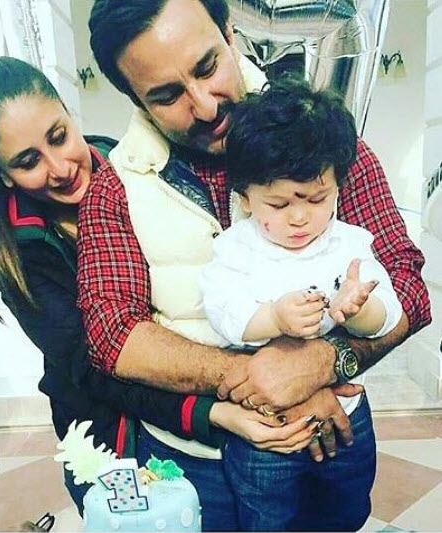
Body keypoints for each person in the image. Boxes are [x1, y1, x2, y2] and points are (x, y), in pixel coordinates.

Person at [82, 0, 430, 530]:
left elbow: (407, 286)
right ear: (134, 98)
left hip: (327, 434)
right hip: (190, 459)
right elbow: (112, 333)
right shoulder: (115, 186)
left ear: (229, 32)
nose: (205, 106)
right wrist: (254, 377)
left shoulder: (320, 141)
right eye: (167, 95)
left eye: (207, 67)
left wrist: (322, 363)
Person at [0, 56, 320, 518]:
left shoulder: (134, 169)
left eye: (58, 136)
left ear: (69, 113)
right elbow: (95, 366)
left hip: (209, 405)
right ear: (0, 172)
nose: (60, 167)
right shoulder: (17, 251)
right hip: (112, 438)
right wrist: (215, 411)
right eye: (28, 161)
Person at [199, 77, 403, 531]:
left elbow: (389, 314)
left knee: (347, 506)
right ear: (245, 198)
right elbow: (222, 311)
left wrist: (360, 309)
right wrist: (272, 317)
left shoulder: (349, 243)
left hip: (347, 413)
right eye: (277, 204)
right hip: (268, 430)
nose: (298, 217)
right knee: (266, 515)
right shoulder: (236, 248)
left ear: (338, 188)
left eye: (316, 199)